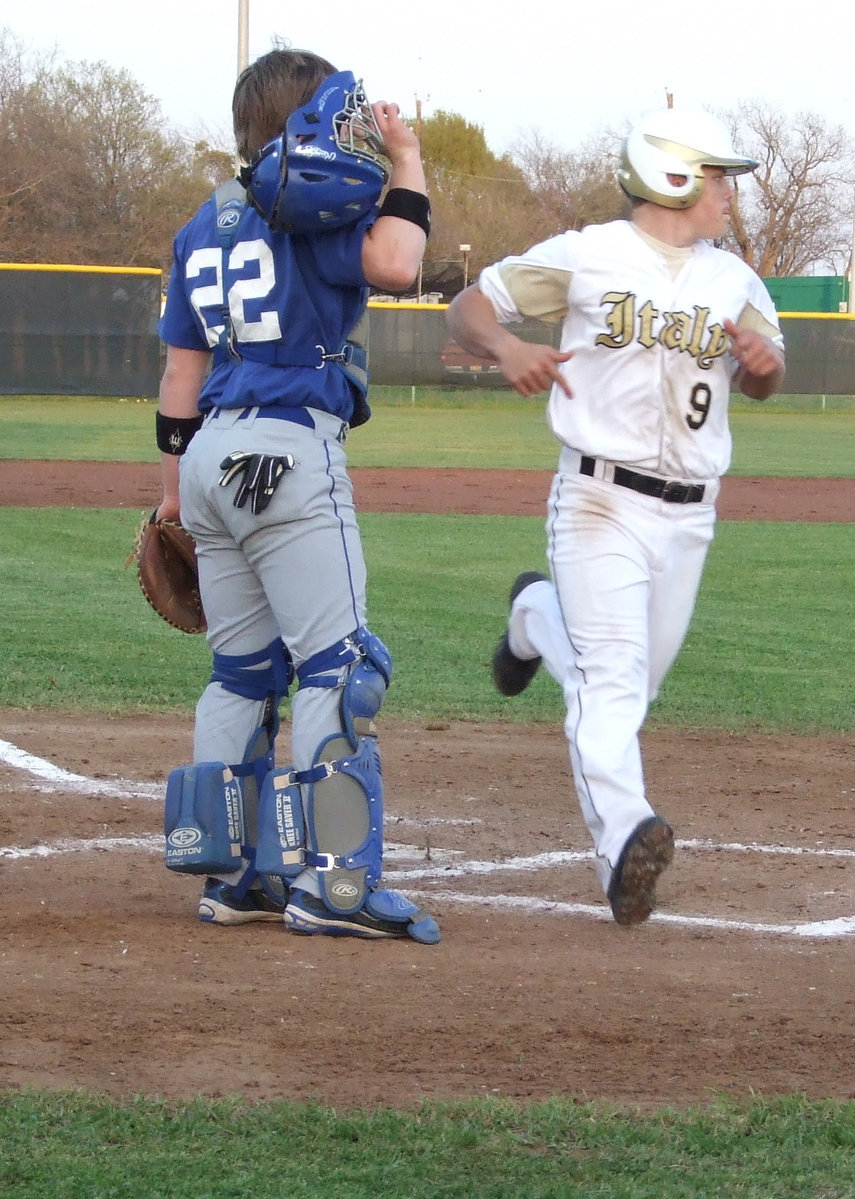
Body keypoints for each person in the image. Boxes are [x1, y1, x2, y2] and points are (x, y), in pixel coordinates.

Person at [446, 108, 785, 927]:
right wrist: (507, 349)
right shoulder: (588, 254)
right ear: (673, 176)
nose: (729, 194)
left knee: (624, 690)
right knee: (613, 686)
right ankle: (624, 836)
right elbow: (466, 307)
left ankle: (532, 616)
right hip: (599, 498)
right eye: (717, 176)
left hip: (690, 516)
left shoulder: (733, 279)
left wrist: (764, 365)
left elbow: (767, 379)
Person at [155, 48, 440, 943]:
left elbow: (178, 376)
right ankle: (336, 885)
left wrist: (173, 502)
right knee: (341, 667)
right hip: (286, 449)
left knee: (241, 673)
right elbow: (398, 263)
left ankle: (236, 873)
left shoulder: (203, 223)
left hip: (208, 458)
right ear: (301, 125)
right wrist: (409, 162)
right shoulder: (314, 207)